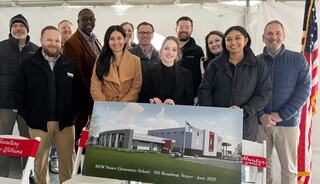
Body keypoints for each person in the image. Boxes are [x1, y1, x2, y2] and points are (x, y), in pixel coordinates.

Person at [15, 26, 83, 184]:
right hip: (38, 123)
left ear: (61, 43)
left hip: (65, 124)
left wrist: (72, 115)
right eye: (49, 40)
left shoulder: (70, 65)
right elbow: (19, 92)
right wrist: (29, 115)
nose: (53, 44)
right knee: (40, 163)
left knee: (68, 163)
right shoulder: (28, 64)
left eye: (57, 41)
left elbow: (78, 94)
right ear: (41, 40)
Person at [256, 20, 311, 184]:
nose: (274, 37)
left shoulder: (298, 60)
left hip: (287, 124)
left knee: (289, 170)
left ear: (284, 36)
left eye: (278, 33)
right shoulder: (255, 62)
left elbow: (304, 91)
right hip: (261, 124)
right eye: (270, 34)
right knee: (261, 168)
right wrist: (260, 115)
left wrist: (282, 115)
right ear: (263, 37)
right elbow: (249, 91)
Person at [198, 26, 272, 141]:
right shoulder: (214, 65)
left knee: (241, 156)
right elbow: (204, 91)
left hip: (245, 125)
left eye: (238, 38)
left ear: (246, 40)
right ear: (225, 42)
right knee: (216, 154)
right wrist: (212, 114)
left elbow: (264, 93)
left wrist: (244, 111)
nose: (233, 42)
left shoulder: (258, 65)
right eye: (229, 39)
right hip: (217, 123)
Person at [0, 14, 38, 179]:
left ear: (27, 29)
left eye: (21, 26)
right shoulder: (1, 48)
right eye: (15, 26)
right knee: (3, 142)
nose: (18, 28)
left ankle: (28, 174)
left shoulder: (36, 50)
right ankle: (2, 175)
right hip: (4, 105)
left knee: (28, 141)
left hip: (27, 106)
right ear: (10, 29)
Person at [63, 8, 102, 144]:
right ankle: (76, 166)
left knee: (90, 142)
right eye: (84, 19)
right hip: (82, 103)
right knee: (78, 141)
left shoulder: (96, 40)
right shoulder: (71, 43)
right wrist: (94, 96)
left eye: (91, 19)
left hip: (95, 100)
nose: (88, 22)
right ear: (78, 22)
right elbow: (77, 75)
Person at [90, 25, 142, 102]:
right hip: (106, 105)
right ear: (107, 41)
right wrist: (105, 106)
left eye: (119, 38)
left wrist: (122, 105)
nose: (116, 42)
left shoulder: (135, 60)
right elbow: (95, 87)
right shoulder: (100, 59)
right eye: (112, 39)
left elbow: (136, 87)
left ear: (124, 39)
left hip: (127, 106)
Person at [139, 36, 193, 105]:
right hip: (155, 113)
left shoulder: (186, 74)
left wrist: (175, 103)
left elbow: (189, 100)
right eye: (166, 48)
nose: (170, 52)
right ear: (161, 51)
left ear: (177, 53)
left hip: (177, 113)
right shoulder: (149, 72)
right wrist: (151, 101)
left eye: (174, 49)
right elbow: (142, 97)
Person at [175, 16, 204, 100]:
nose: (184, 30)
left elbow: (200, 76)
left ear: (192, 30)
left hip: (189, 97)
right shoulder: (169, 47)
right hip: (169, 97)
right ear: (176, 29)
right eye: (181, 27)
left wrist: (196, 96)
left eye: (187, 27)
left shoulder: (198, 51)